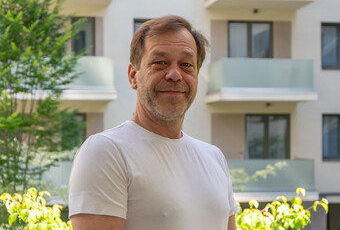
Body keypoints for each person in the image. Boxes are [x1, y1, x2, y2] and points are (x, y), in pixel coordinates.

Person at [68, 15, 239, 230]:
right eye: (160, 63)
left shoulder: (215, 158)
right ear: (133, 76)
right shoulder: (106, 152)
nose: (175, 74)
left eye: (186, 64)